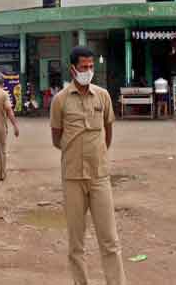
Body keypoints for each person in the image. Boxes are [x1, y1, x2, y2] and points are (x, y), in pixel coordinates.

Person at [50, 46, 127, 285]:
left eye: (91, 66)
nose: (88, 71)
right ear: (72, 69)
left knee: (110, 241)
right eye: (84, 67)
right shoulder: (60, 100)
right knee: (76, 244)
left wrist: (97, 157)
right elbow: (56, 138)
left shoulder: (102, 96)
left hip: (99, 177)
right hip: (72, 178)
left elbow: (108, 132)